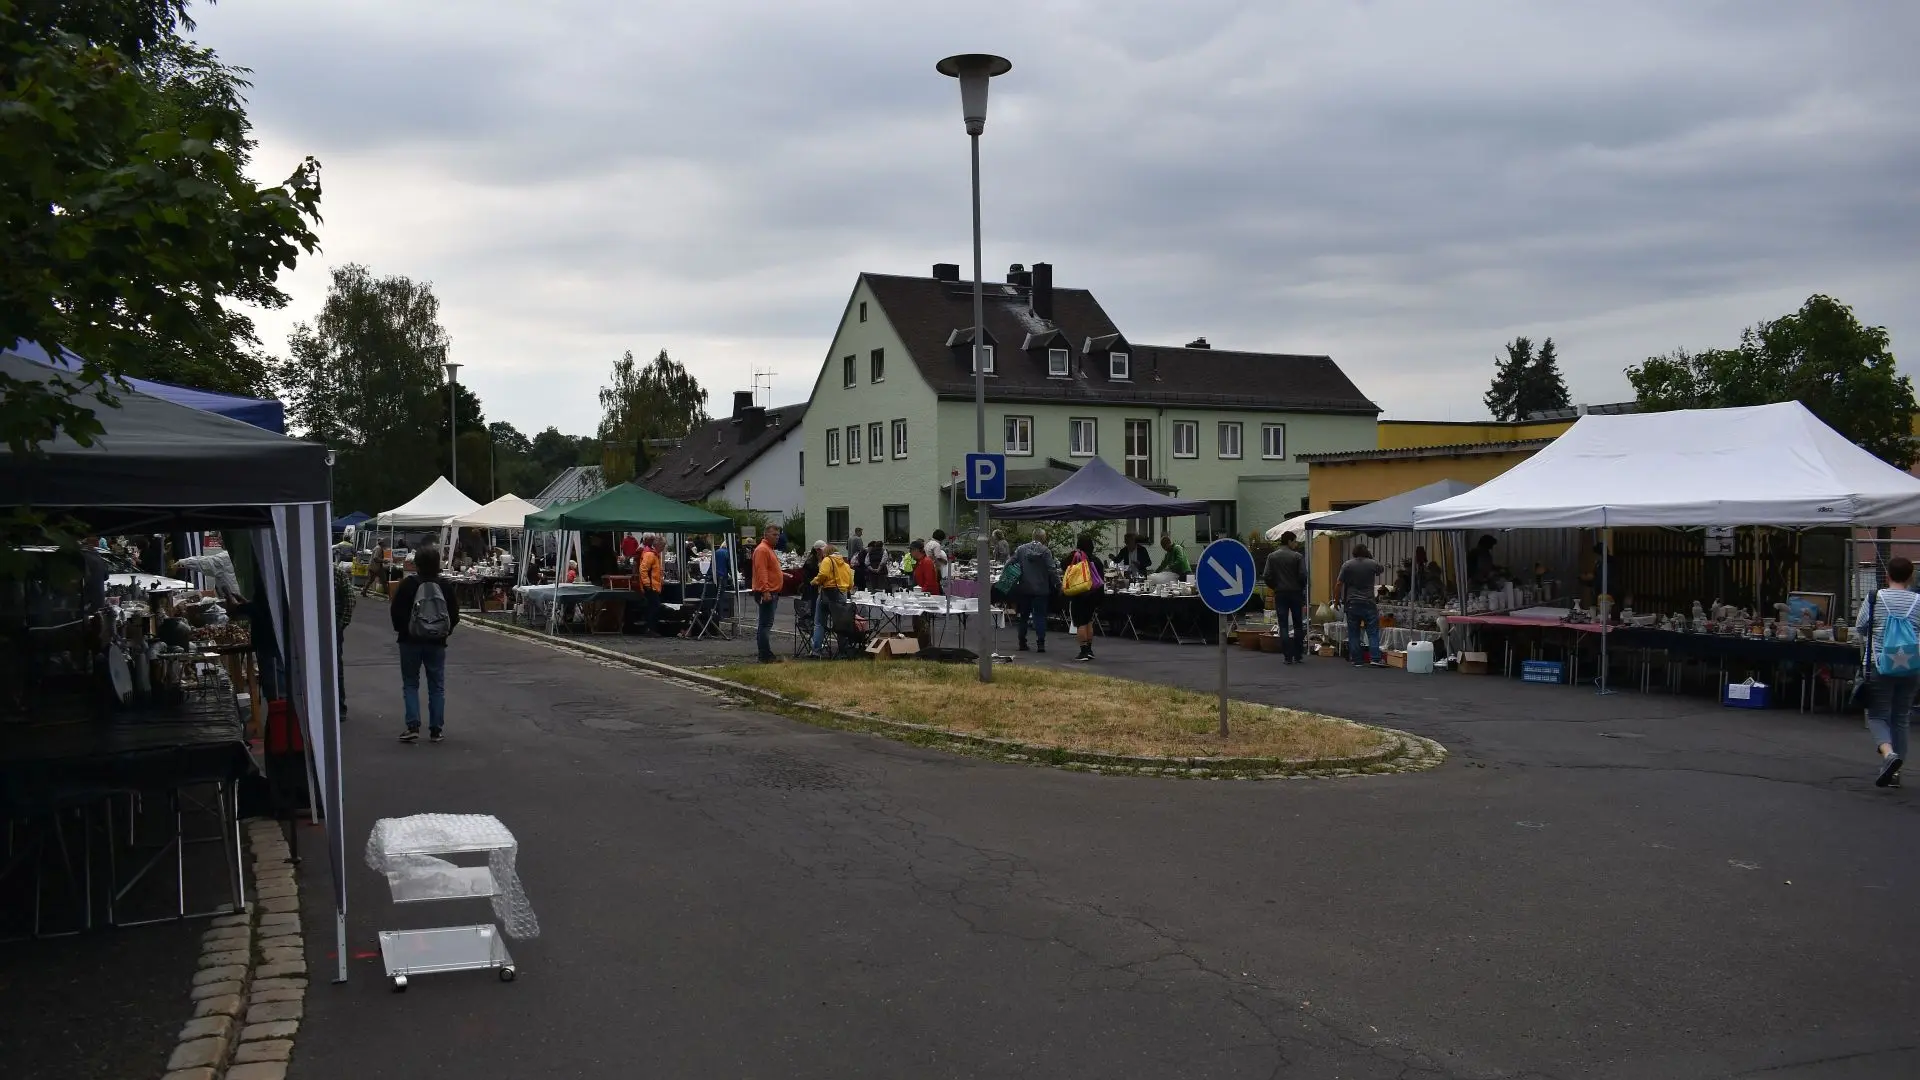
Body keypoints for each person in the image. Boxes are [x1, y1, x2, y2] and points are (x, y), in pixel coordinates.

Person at [1858, 556, 1920, 787]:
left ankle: (1888, 754)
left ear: (1887, 575)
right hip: (1911, 666)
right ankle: (1895, 774)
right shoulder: (1918, 601)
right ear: (1911, 577)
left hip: (1879, 664)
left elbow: (1861, 627)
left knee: (1876, 715)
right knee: (1901, 718)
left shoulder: (1875, 597)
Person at [389, 545, 458, 743]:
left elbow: (396, 611)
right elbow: (454, 614)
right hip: (437, 642)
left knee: (411, 683)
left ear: (417, 564)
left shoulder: (408, 585)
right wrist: (445, 632)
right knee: (436, 686)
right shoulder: (445, 586)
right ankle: (436, 729)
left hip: (410, 641)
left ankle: (413, 725)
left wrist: (404, 630)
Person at [1336, 543, 1386, 668]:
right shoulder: (1372, 563)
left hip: (1352, 603)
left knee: (1354, 632)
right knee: (1372, 632)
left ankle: (1357, 660)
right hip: (1369, 603)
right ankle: (1375, 658)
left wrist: (1336, 600)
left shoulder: (1347, 565)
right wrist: (1370, 558)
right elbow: (1381, 569)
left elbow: (1339, 584)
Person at [1263, 531, 1307, 664]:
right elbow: (1303, 575)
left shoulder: (1272, 556)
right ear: (1289, 541)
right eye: (1294, 541)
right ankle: (1298, 654)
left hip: (1280, 593)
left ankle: (1287, 656)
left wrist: (1275, 586)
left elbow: (1266, 575)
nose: (1296, 544)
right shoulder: (1297, 557)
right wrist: (1300, 587)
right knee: (1298, 624)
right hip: (1295, 593)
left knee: (1283, 625)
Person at [1012, 530, 1058, 652]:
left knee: (1023, 616)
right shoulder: (1046, 551)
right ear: (1043, 538)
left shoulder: (1021, 549)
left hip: (1024, 587)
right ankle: (1040, 643)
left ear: (1032, 536)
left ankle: (1022, 642)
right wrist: (1058, 584)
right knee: (1040, 616)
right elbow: (1052, 570)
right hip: (1041, 589)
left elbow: (1010, 563)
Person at [1067, 532, 1105, 662]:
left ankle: (1083, 650)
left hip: (1079, 594)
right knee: (1089, 622)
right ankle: (1089, 649)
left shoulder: (1075, 558)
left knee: (1080, 623)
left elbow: (1064, 565)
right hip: (1093, 595)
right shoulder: (1096, 561)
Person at [811, 542, 853, 658]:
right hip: (842, 594)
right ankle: (843, 651)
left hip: (827, 594)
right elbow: (850, 584)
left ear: (827, 553)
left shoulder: (827, 560)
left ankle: (816, 650)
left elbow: (823, 574)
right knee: (840, 623)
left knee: (819, 623)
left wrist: (814, 581)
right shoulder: (846, 565)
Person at [752, 526, 784, 663]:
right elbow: (761, 571)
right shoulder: (762, 549)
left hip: (771, 590)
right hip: (767, 591)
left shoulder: (768, 549)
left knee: (766, 624)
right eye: (774, 534)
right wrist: (765, 590)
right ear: (766, 535)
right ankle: (765, 655)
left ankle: (765, 653)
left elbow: (769, 569)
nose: (777, 537)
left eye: (778, 535)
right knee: (765, 624)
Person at [333, 554, 356, 719]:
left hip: (330, 627)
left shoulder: (335, 572)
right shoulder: (337, 572)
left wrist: (341, 624)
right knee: (335, 668)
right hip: (334, 627)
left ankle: (336, 707)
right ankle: (339, 707)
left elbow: (350, 599)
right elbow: (350, 599)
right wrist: (342, 624)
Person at [636, 534, 665, 634]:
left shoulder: (654, 554)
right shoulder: (650, 555)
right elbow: (643, 570)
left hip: (653, 586)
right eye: (663, 546)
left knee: (653, 607)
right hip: (651, 587)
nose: (663, 548)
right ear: (658, 545)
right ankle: (650, 628)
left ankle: (651, 628)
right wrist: (647, 584)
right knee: (654, 607)